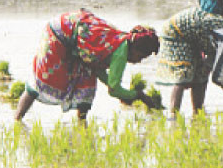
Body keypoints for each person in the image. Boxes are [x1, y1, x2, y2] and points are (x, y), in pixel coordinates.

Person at [14, 10, 161, 122]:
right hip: (58, 34)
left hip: (76, 40)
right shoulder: (120, 52)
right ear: (135, 49)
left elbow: (98, 71)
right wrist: (138, 95)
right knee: (47, 79)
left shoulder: (120, 41)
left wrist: (126, 94)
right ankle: (17, 119)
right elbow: (113, 89)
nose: (139, 61)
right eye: (141, 57)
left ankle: (82, 125)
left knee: (87, 81)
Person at [157, 7, 223, 114]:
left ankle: (197, 113)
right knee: (183, 74)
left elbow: (216, 66)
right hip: (177, 30)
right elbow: (219, 78)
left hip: (195, 36)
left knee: (202, 73)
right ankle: (174, 116)